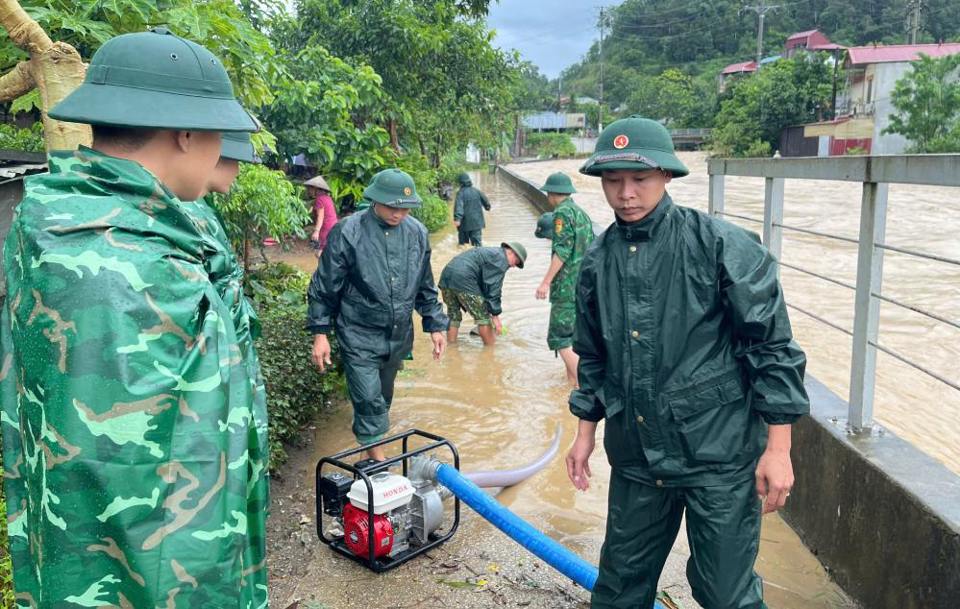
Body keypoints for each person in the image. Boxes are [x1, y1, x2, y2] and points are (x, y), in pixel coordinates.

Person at [0, 29, 267, 608]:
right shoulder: (151, 265)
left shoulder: (43, 220)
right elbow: (190, 457)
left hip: (67, 533)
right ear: (188, 134)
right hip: (151, 568)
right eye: (219, 134)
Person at [564, 116, 810, 609]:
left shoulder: (720, 245)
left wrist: (778, 448)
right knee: (617, 590)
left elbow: (771, 347)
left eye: (640, 179)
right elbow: (593, 354)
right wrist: (585, 433)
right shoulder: (595, 261)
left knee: (724, 593)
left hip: (717, 456)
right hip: (636, 457)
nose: (626, 194)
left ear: (668, 177)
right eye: (613, 181)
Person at [307, 169, 449, 461]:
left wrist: (435, 325)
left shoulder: (417, 234)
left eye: (405, 208)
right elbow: (324, 286)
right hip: (357, 331)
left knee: (382, 399)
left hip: (397, 335)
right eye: (392, 207)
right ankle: (380, 467)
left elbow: (425, 285)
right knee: (369, 399)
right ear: (375, 200)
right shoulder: (349, 231)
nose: (399, 214)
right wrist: (320, 334)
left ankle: (368, 454)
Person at [535, 172, 594, 386]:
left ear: (551, 193)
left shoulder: (561, 213)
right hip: (583, 286)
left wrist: (546, 282)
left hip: (567, 287)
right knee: (572, 338)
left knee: (559, 338)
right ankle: (570, 386)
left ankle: (582, 386)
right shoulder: (581, 214)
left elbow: (562, 251)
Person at [439, 242, 527, 346]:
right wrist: (495, 316)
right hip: (464, 278)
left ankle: (451, 346)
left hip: (446, 277)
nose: (513, 266)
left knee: (453, 314)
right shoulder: (501, 260)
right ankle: (490, 351)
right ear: (511, 252)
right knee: (483, 318)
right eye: (516, 262)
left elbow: (484, 284)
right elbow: (494, 289)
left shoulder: (491, 253)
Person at [453, 171, 490, 246]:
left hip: (464, 224)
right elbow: (486, 202)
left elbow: (459, 207)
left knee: (463, 245)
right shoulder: (477, 191)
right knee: (477, 245)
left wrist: (457, 219)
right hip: (477, 223)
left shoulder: (460, 193)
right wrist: (487, 207)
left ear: (460, 183)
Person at [305, 175, 338, 256]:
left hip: (326, 227)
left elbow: (321, 217)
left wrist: (316, 231)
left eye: (309, 188)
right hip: (333, 226)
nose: (308, 191)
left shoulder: (319, 200)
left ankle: (323, 268)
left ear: (315, 188)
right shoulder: (327, 198)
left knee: (319, 253)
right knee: (325, 250)